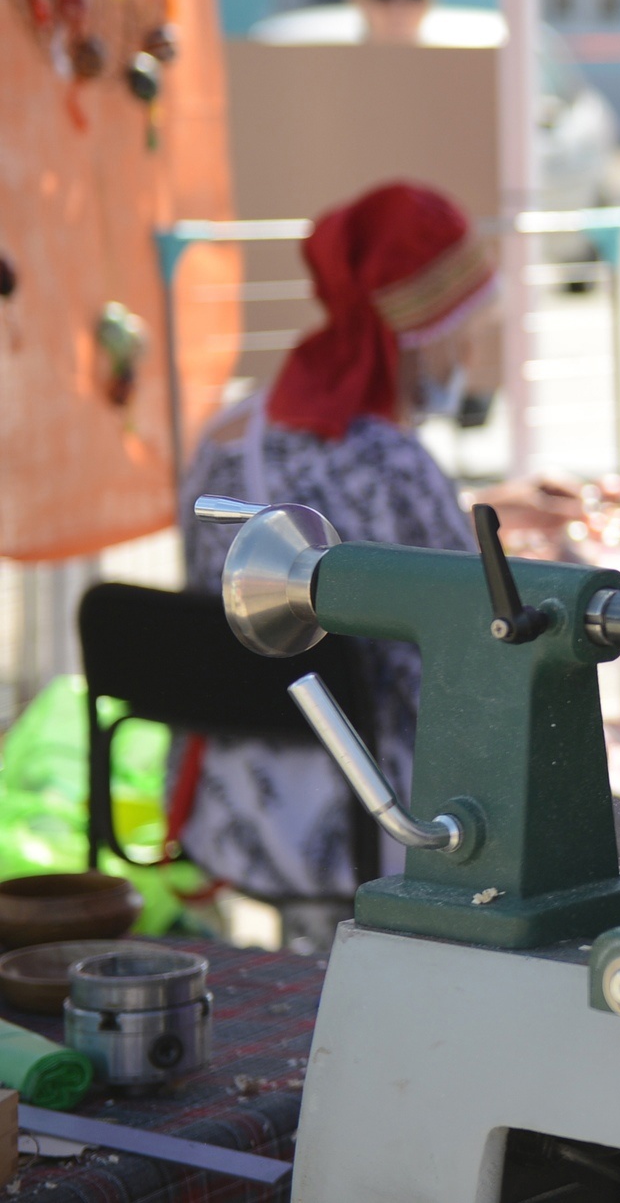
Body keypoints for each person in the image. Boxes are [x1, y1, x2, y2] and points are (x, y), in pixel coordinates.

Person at [176, 182, 498, 941]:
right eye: (464, 330)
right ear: (417, 334)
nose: (473, 353)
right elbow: (479, 651)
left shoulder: (224, 433)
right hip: (377, 812)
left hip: (227, 802)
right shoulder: (390, 461)